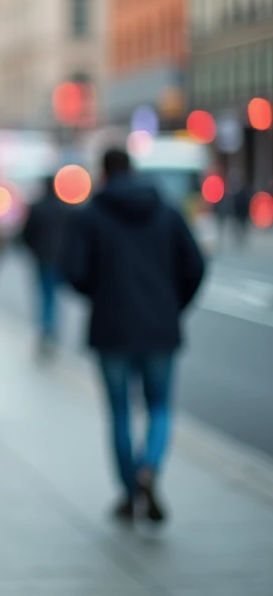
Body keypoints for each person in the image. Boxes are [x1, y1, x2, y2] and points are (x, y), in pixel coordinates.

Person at [61, 148, 205, 524]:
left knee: (120, 412)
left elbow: (74, 271)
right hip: (160, 326)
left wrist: (101, 293)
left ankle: (128, 492)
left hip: (111, 327)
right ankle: (149, 468)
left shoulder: (91, 215)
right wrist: (173, 305)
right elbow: (195, 265)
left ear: (103, 173)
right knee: (159, 407)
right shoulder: (167, 211)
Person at [21, 175, 76, 359]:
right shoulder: (65, 209)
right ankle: (52, 331)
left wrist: (34, 250)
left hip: (43, 258)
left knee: (46, 296)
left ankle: (47, 331)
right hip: (60, 259)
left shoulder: (37, 208)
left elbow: (26, 235)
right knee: (55, 296)